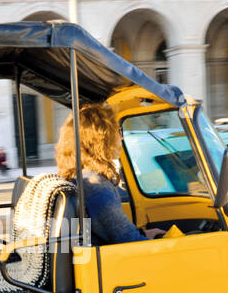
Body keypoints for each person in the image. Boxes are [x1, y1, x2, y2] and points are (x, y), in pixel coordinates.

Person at [55, 104, 164, 245]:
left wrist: (143, 233)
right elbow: (130, 242)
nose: (122, 137)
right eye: (118, 131)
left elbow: (116, 233)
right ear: (102, 139)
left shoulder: (80, 177)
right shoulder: (96, 187)